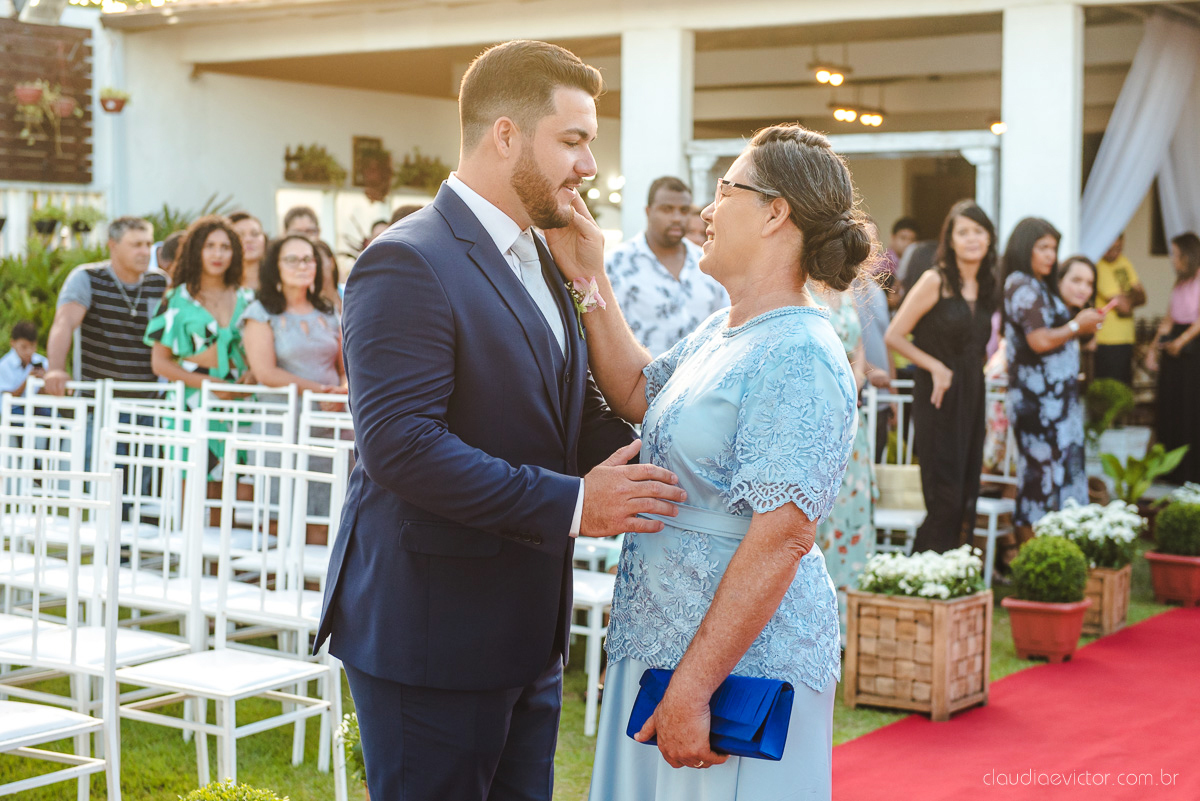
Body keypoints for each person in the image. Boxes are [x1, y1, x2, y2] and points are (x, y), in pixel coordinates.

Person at [315, 40, 687, 801]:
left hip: (525, 631)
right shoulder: (406, 259)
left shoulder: (546, 257)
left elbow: (570, 404)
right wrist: (580, 504)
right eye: (574, 140)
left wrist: (678, 465)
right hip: (432, 634)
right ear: (507, 135)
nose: (589, 165)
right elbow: (401, 446)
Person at [545, 122, 865, 799]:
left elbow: (783, 534)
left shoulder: (802, 352)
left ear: (776, 212)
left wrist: (694, 687)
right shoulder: (725, 329)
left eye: (724, 190)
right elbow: (637, 390)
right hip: (662, 641)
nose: (706, 211)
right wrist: (590, 273)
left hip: (736, 671)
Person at [885, 200, 998, 554]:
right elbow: (894, 335)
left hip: (972, 393)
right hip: (937, 394)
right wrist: (934, 366)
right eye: (962, 232)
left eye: (978, 231)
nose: (971, 239)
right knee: (944, 493)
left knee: (966, 488)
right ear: (950, 240)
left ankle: (953, 572)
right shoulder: (935, 280)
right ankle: (923, 572)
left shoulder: (988, 285)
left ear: (990, 238)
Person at [1002, 218, 1102, 538]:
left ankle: (1059, 553)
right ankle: (1030, 560)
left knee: (1062, 476)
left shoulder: (1039, 286)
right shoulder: (1020, 284)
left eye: (1054, 248)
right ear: (1024, 247)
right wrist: (1076, 326)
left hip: (1060, 402)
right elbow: (1039, 340)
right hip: (1037, 403)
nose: (1050, 255)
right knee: (1039, 477)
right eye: (1042, 247)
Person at [809, 284, 876, 637]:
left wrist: (858, 375)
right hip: (815, 417)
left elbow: (858, 347)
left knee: (852, 517)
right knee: (820, 520)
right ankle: (816, 626)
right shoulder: (797, 283)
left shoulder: (847, 288)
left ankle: (850, 628)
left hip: (850, 417)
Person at [43, 216, 167, 395]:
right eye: (136, 245)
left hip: (148, 403)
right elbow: (64, 323)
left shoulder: (160, 282)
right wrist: (55, 369)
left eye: (148, 244)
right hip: (98, 403)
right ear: (113, 245)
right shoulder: (87, 278)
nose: (145, 252)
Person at [606, 176, 728, 356]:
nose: (677, 218)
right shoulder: (615, 264)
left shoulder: (710, 262)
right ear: (648, 211)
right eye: (667, 209)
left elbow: (725, 324)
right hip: (640, 380)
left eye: (684, 210)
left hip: (700, 379)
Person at [144, 215, 254, 405]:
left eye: (225, 247)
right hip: (191, 405)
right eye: (209, 246)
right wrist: (207, 384)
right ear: (196, 251)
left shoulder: (249, 300)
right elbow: (160, 363)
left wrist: (254, 374)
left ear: (235, 253)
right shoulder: (176, 300)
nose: (217, 254)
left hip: (240, 405)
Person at [241, 235, 345, 395]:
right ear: (275, 266)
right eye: (292, 260)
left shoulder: (328, 310)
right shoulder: (260, 312)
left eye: (308, 259)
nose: (302, 266)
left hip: (329, 414)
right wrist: (320, 392)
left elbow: (345, 369)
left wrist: (342, 392)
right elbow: (265, 373)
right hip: (283, 414)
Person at [1147, 232, 1200, 485]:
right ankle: (1170, 470)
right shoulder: (1179, 282)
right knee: (1170, 406)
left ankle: (1191, 472)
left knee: (1191, 408)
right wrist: (1153, 348)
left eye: (1175, 254)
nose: (1171, 259)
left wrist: (1182, 341)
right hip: (1175, 347)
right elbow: (1168, 320)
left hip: (1193, 348)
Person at [1093, 233, 1146, 385]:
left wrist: (1127, 298)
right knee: (1110, 390)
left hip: (1127, 337)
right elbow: (1123, 307)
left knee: (1125, 388)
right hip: (1107, 339)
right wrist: (1132, 296)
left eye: (1118, 248)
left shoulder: (1124, 262)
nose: (1114, 253)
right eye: (1110, 249)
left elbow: (1143, 297)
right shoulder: (1098, 266)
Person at [0, 321, 47, 396]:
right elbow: (7, 398)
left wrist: (45, 380)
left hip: (37, 406)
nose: (29, 351)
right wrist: (28, 381)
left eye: (32, 346)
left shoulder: (43, 362)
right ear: (12, 343)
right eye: (24, 347)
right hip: (14, 407)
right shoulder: (4, 366)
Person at [229, 211, 268, 291]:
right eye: (240, 235)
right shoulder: (221, 287)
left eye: (255, 234)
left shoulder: (279, 284)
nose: (248, 240)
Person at [314, 240, 343, 314]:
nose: (315, 267)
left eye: (319, 261)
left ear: (331, 262)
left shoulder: (349, 292)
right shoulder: (309, 308)